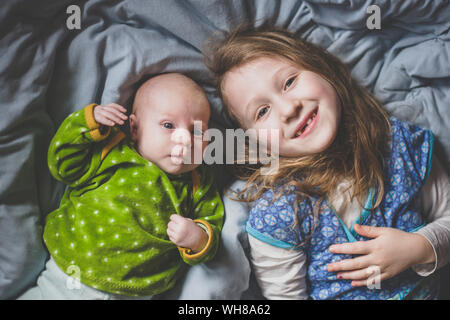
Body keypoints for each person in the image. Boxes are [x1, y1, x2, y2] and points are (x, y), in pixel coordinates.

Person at [205, 25, 450, 300]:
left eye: (289, 82)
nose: (288, 109)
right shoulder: (279, 214)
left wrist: (420, 247)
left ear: (323, 69)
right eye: (262, 112)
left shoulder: (398, 146)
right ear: (257, 144)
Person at [19, 73, 224, 299]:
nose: (185, 139)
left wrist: (197, 238)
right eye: (168, 125)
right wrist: (89, 124)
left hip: (136, 292)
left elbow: (211, 229)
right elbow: (61, 164)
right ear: (135, 129)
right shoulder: (112, 150)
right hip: (67, 278)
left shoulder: (198, 182)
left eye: (197, 131)